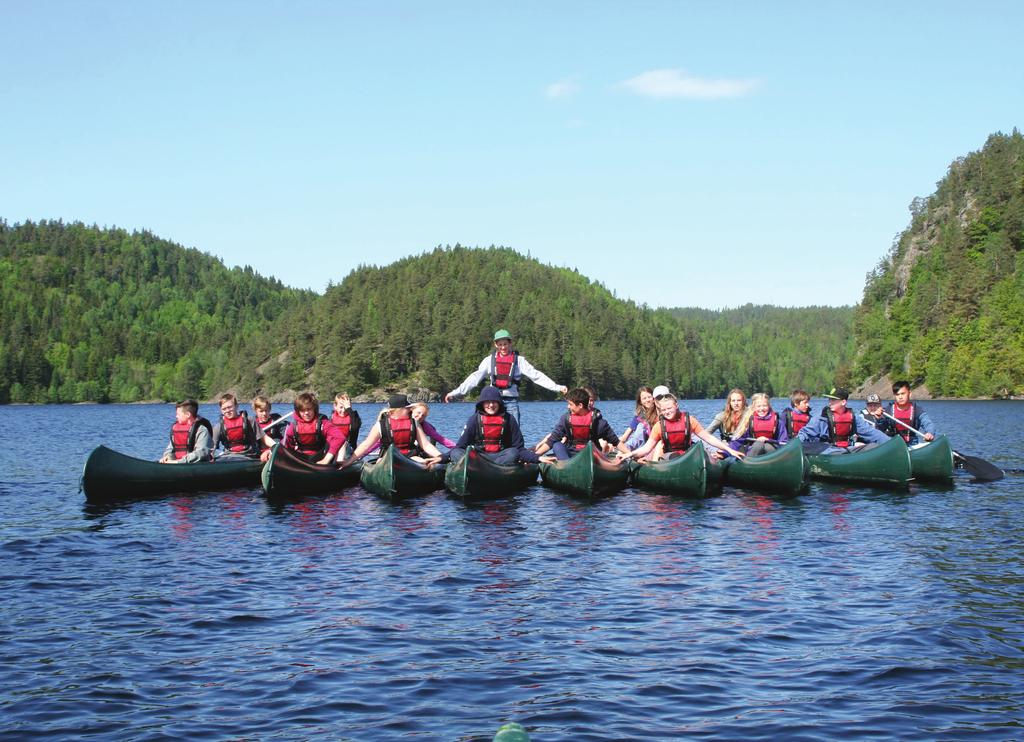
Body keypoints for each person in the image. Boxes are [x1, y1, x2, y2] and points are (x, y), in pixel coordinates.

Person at [444, 329, 568, 422]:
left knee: (514, 430)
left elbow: (536, 376)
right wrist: (455, 392)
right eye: (500, 344)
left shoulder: (519, 361)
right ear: (495, 345)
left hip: (511, 401)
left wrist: (558, 387)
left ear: (510, 343)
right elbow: (474, 379)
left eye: (505, 344)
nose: (503, 347)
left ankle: (515, 453)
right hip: (493, 401)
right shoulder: (489, 361)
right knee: (488, 427)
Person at [620, 386, 742, 463]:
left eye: (669, 408)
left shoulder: (689, 420)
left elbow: (708, 437)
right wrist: (630, 454)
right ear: (660, 409)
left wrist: (728, 450)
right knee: (668, 454)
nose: (667, 412)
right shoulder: (659, 426)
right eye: (664, 410)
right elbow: (646, 447)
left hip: (687, 453)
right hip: (670, 456)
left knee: (700, 450)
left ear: (676, 405)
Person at [338, 394, 444, 469]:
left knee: (423, 462)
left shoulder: (414, 424)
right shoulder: (381, 425)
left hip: (410, 456)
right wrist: (349, 461)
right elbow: (366, 445)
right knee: (380, 463)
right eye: (407, 408)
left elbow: (426, 445)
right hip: (386, 458)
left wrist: (441, 457)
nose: (410, 410)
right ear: (397, 410)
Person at [449, 386, 539, 465]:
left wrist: (536, 458)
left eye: (494, 402)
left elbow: (519, 448)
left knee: (513, 453)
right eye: (487, 402)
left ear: (499, 403)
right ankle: (480, 466)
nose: (491, 405)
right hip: (479, 456)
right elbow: (460, 446)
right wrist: (443, 458)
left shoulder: (509, 419)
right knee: (455, 453)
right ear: (482, 404)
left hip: (500, 457)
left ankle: (488, 468)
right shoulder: (474, 419)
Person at [534, 387, 629, 461]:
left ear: (580, 405)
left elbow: (615, 441)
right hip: (570, 455)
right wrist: (534, 457)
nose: (568, 407)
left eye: (570, 404)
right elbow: (551, 440)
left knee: (591, 447)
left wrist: (630, 454)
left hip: (591, 454)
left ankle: (571, 466)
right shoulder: (566, 419)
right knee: (557, 445)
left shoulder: (599, 423)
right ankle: (567, 466)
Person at [797, 387, 890, 454]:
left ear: (843, 402)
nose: (830, 402)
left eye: (833, 400)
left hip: (848, 448)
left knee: (874, 446)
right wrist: (794, 446)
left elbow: (871, 433)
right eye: (829, 399)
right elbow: (805, 433)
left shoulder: (853, 417)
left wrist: (891, 443)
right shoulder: (822, 417)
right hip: (828, 449)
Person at [730, 392, 789, 457]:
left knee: (767, 446)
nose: (762, 409)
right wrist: (725, 453)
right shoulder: (748, 421)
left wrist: (768, 440)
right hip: (753, 451)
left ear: (769, 406)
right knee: (758, 444)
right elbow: (737, 441)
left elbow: (784, 442)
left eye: (764, 405)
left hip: (771, 452)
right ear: (754, 407)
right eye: (758, 406)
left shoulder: (778, 422)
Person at [281, 392, 333, 464]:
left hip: (320, 457)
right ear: (298, 411)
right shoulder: (293, 426)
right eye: (302, 410)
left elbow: (339, 437)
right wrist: (272, 451)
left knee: (342, 443)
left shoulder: (323, 422)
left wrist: (326, 460)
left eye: (309, 409)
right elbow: (285, 444)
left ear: (314, 409)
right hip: (301, 458)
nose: (306, 413)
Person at [159, 399, 213, 464]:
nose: (176, 416)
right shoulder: (176, 430)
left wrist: (179, 462)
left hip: (197, 465)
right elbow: (170, 449)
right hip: (178, 462)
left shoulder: (202, 430)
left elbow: (201, 453)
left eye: (178, 414)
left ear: (188, 415)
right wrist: (168, 457)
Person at [887, 380, 937, 445]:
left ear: (909, 394)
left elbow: (928, 423)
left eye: (903, 394)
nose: (900, 397)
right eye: (897, 394)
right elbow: (880, 428)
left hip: (912, 443)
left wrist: (930, 433)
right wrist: (879, 420)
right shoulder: (888, 410)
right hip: (893, 444)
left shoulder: (917, 410)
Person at [210, 393, 259, 458]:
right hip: (228, 456)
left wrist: (273, 447)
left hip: (249, 455)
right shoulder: (218, 427)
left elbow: (265, 439)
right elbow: (212, 448)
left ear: (236, 406)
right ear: (221, 410)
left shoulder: (250, 421)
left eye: (229, 407)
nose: (227, 411)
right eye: (224, 409)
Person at [320, 392, 363, 465]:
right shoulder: (331, 418)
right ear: (335, 406)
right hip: (332, 449)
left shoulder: (354, 418)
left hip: (348, 450)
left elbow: (355, 427)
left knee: (341, 440)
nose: (343, 410)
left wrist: (349, 409)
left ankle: (339, 463)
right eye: (341, 407)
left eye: (345, 407)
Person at [620, 386, 658, 451]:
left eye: (649, 397)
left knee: (642, 426)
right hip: (642, 447)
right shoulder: (639, 417)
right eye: (644, 398)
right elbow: (625, 436)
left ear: (653, 398)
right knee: (641, 426)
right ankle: (625, 449)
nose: (647, 400)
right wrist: (614, 443)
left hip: (656, 445)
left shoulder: (660, 412)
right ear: (640, 401)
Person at [252, 396, 285, 461]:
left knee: (276, 440)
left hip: (274, 449)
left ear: (269, 409)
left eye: (266, 410)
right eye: (261, 411)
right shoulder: (252, 423)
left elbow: (285, 433)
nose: (264, 413)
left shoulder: (276, 420)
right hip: (259, 452)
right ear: (256, 411)